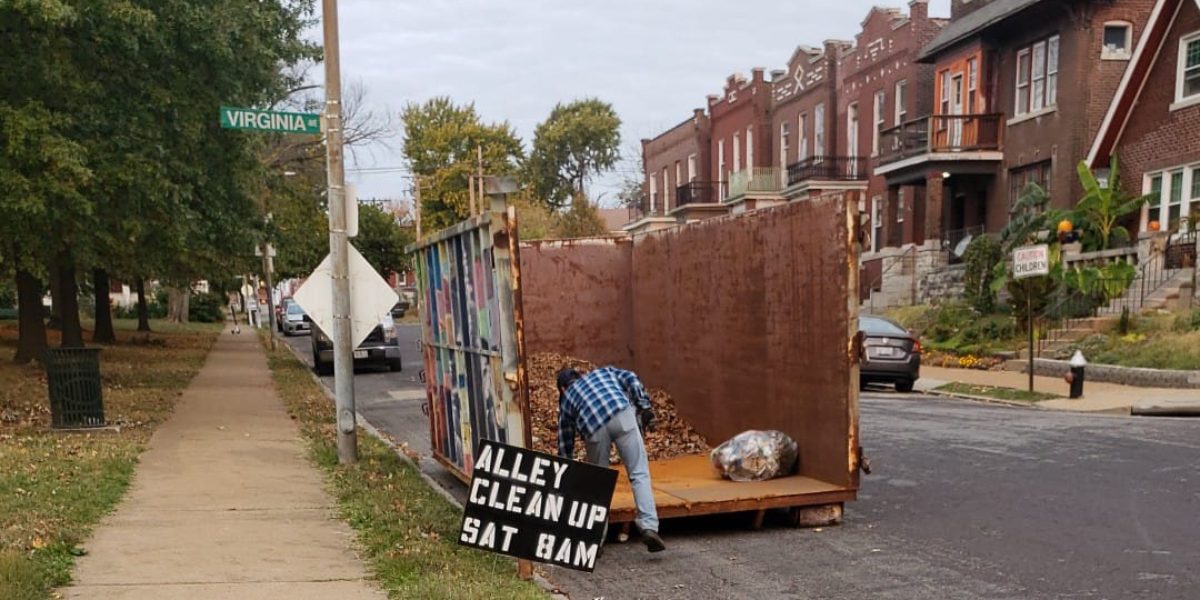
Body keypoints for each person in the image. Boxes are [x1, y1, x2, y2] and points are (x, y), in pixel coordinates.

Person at [557, 366, 666, 553]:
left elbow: (565, 440)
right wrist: (644, 405)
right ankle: (649, 527)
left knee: (600, 485)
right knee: (639, 473)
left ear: (562, 388)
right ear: (581, 375)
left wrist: (565, 470)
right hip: (621, 413)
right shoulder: (603, 372)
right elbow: (631, 376)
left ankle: (595, 541)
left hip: (593, 428)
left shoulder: (566, 399)